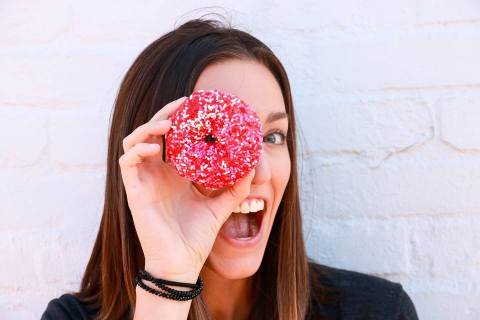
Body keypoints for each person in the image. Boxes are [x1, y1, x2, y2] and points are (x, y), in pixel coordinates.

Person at [41, 16, 419, 320]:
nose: (253, 173)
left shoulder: (378, 311)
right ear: (150, 157)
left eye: (272, 137)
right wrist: (169, 278)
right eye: (212, 138)